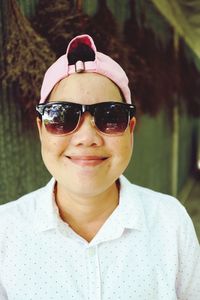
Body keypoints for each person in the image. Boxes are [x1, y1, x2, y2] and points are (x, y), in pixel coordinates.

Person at [0, 34, 199, 300]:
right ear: (41, 130)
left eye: (111, 117)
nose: (87, 138)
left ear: (130, 130)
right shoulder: (6, 232)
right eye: (61, 116)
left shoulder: (170, 222)